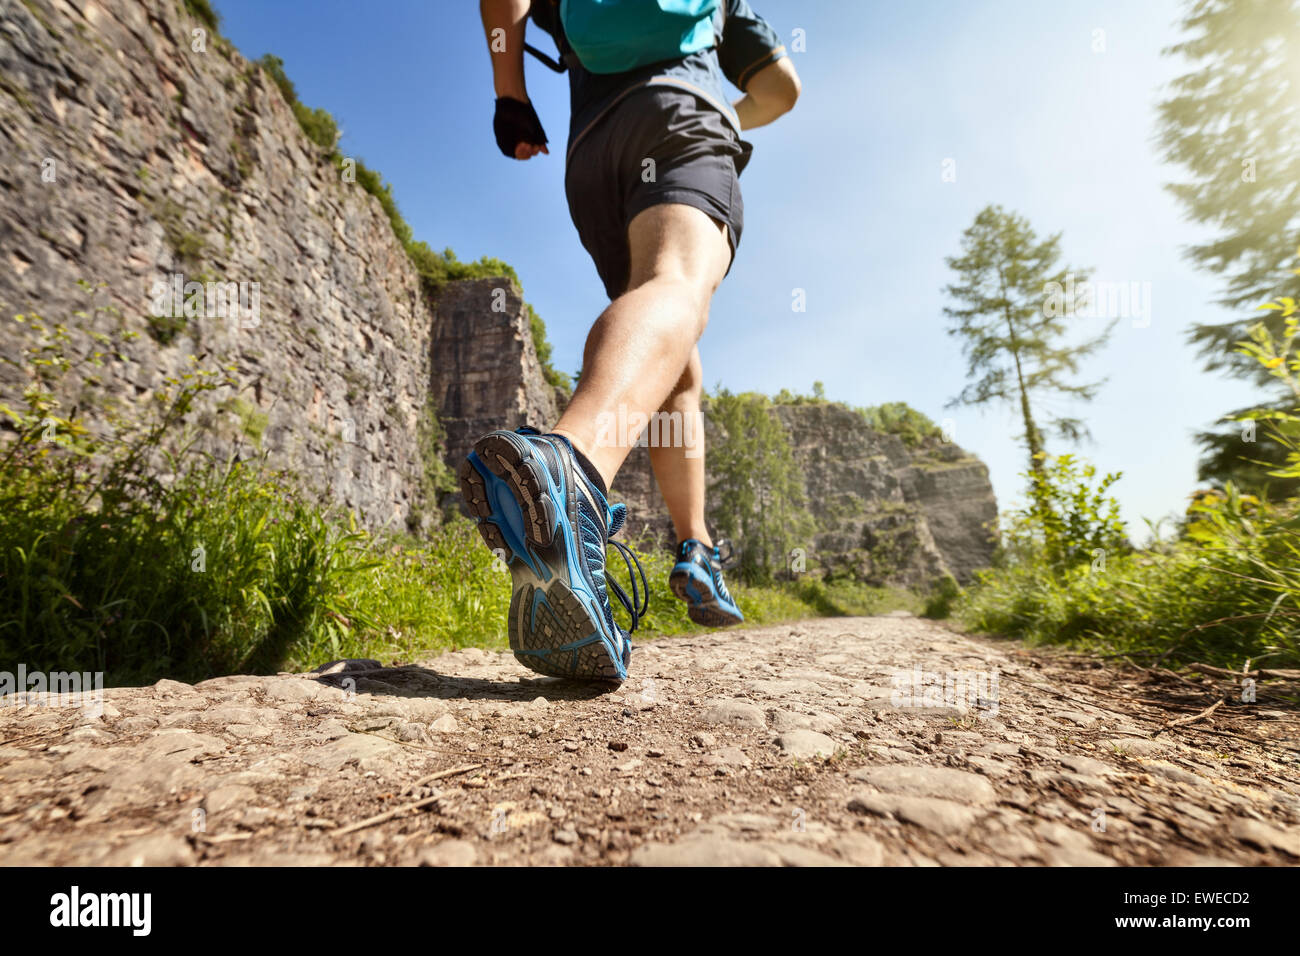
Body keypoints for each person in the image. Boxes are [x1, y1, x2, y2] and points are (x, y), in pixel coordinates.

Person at [462, 0, 800, 682]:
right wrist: (730, 114)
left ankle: (696, 546)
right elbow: (780, 89)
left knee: (666, 342)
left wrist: (511, 95)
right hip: (682, 113)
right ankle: (573, 468)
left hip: (593, 151)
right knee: (677, 283)